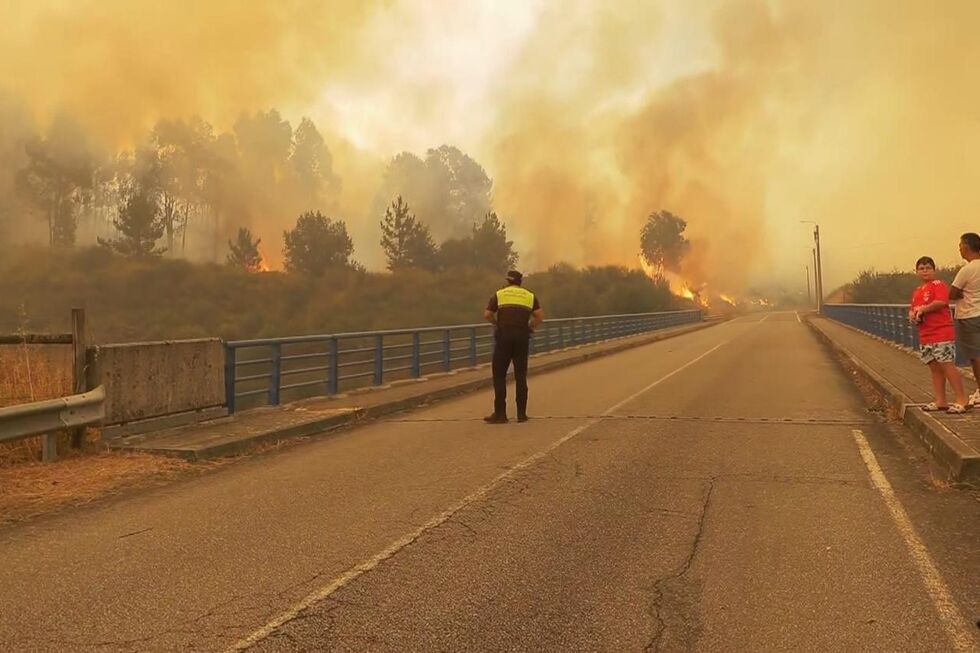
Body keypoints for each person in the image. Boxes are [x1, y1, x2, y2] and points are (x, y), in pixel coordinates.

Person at [483, 270, 544, 423]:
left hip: (504, 336)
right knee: (521, 376)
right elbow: (539, 316)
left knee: (499, 375)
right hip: (522, 337)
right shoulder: (529, 296)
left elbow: (487, 314)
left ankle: (500, 414)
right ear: (520, 282)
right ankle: (521, 414)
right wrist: (529, 327)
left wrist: (497, 324)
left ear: (508, 281)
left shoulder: (500, 294)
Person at [909, 256, 968, 413]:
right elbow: (913, 308)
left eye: (928, 268)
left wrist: (922, 310)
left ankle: (961, 399)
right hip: (925, 334)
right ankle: (941, 400)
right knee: (934, 368)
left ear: (934, 270)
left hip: (941, 332)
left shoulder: (939, 285)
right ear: (916, 272)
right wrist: (913, 315)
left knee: (947, 365)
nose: (925, 271)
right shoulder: (917, 291)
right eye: (921, 268)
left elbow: (941, 302)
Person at [950, 232, 980, 406]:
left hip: (969, 315)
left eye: (960, 245)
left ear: (967, 247)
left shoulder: (968, 269)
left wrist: (963, 293)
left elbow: (952, 293)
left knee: (976, 356)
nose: (959, 249)